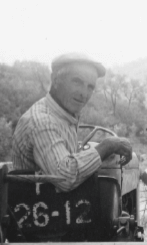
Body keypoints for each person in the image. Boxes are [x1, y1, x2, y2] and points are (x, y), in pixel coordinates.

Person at [11, 52, 132, 192]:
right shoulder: (42, 121)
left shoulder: (64, 116)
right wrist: (107, 146)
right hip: (36, 207)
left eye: (90, 87)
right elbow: (65, 177)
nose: (84, 93)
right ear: (56, 79)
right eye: (77, 82)